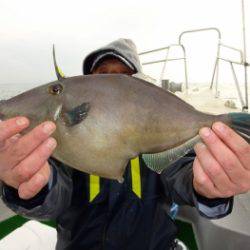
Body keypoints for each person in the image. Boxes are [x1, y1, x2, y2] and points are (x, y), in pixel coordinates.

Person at [1, 38, 250, 250]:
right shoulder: (56, 139)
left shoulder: (160, 132)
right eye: (102, 76)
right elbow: (53, 198)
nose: (111, 84)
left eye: (122, 78)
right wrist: (31, 186)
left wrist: (211, 191)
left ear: (139, 86)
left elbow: (184, 177)